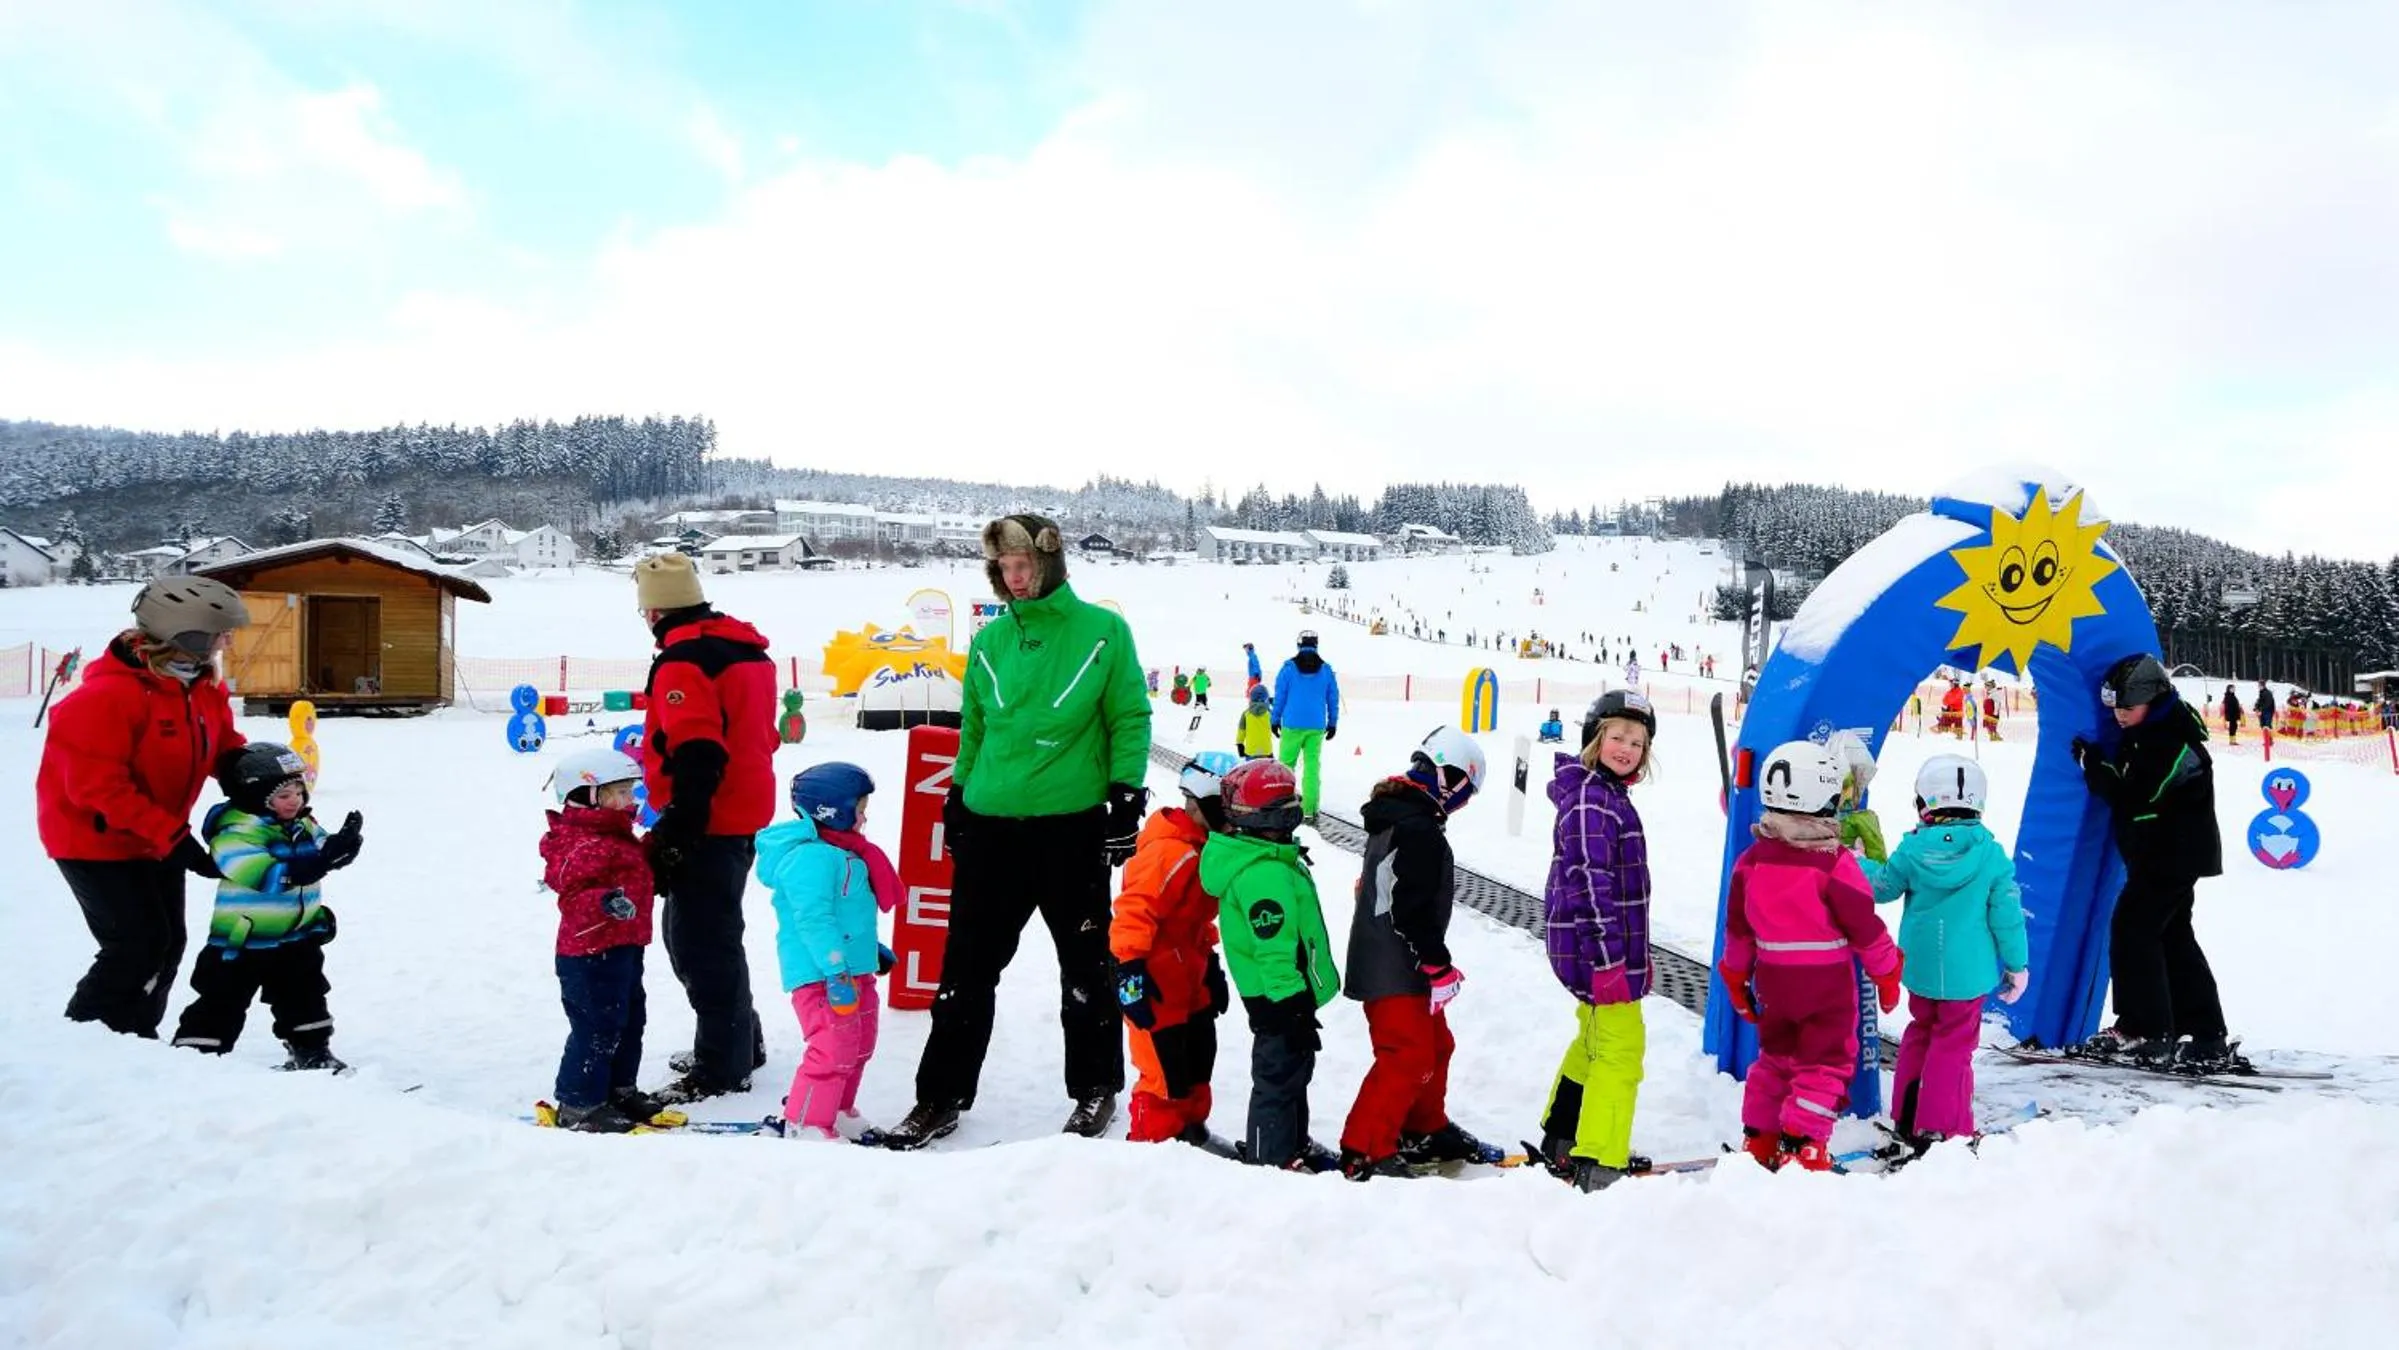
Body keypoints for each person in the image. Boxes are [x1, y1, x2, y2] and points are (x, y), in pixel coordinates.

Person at [884, 514, 1152, 1148]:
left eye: (1025, 564)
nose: (1016, 577)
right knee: (965, 971)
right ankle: (938, 1097)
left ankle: (1095, 1091)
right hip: (991, 827)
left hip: (1070, 829)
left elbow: (1129, 717)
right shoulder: (990, 642)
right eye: (1005, 567)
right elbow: (974, 726)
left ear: (1051, 563)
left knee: (1085, 968)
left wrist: (1124, 796)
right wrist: (957, 794)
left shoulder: (1103, 633)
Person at [37, 576, 252, 1037]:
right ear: (185, 633)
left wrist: (248, 772)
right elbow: (97, 787)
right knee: (135, 945)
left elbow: (221, 745)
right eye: (219, 633)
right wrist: (175, 840)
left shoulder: (201, 686)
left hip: (156, 836)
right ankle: (87, 1038)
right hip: (94, 840)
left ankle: (134, 1035)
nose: (226, 641)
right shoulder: (104, 699)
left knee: (168, 942)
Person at [633, 553, 780, 1104]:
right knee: (703, 936)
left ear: (653, 610)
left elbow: (697, 750)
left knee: (701, 945)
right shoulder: (745, 650)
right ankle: (741, 1041)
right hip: (741, 812)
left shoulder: (683, 662)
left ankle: (722, 1066)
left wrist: (677, 829)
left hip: (709, 820)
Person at [1717, 740, 1902, 1172]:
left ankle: (1760, 1139)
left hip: (1775, 983)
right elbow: (1865, 928)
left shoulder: (1751, 861)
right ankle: (1803, 1143)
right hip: (1826, 988)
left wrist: (1735, 975)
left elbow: (1738, 930)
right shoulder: (1834, 863)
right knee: (1825, 1063)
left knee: (1776, 1059)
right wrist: (1888, 972)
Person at [1339, 728, 1502, 1180]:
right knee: (1405, 1056)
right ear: (1447, 777)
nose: (1461, 805)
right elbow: (1409, 908)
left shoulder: (1402, 816)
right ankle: (1365, 1149)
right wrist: (1436, 962)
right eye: (1463, 794)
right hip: (1393, 965)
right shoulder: (1417, 828)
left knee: (1436, 1046)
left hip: (1399, 960)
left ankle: (1424, 1127)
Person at [2070, 654, 2234, 1070]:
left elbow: (2135, 795)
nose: (2120, 716)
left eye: (2127, 708)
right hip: (2161, 854)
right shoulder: (2151, 732)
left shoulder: (2171, 741)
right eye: (2115, 709)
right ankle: (2205, 1034)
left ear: (2152, 699)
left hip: (2172, 855)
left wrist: (2094, 766)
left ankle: (2143, 1029)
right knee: (2171, 936)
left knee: (2132, 928)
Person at [1867, 755, 2029, 1155]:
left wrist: (1858, 864)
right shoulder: (1990, 857)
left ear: (1924, 803)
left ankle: (1906, 1116)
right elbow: (2007, 917)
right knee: (1953, 1046)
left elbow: (1883, 887)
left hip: (1921, 967)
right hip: (1967, 975)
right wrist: (2016, 964)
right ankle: (1941, 1128)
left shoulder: (1911, 850)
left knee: (1920, 1033)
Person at [169, 741, 364, 1069]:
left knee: (305, 995)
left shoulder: (301, 824)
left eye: (298, 792)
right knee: (223, 998)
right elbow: (269, 876)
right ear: (256, 795)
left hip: (297, 936)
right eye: (284, 796)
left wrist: (340, 847)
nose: (295, 801)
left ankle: (312, 1051)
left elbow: (320, 848)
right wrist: (319, 863)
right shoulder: (235, 834)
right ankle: (196, 1058)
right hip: (243, 941)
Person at [1537, 691, 1656, 1191]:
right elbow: (1587, 879)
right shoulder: (1591, 798)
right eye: (1618, 736)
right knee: (1621, 1048)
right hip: (1599, 950)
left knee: (1593, 1038)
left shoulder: (1601, 793)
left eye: (1637, 741)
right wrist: (1607, 960)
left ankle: (1564, 1135)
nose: (1627, 747)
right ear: (1594, 738)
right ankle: (1599, 1158)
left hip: (1588, 947)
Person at [1203, 759, 1341, 1171]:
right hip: (1279, 996)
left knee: (1294, 1072)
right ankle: (1270, 1159)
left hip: (1285, 994)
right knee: (1278, 1078)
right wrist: (1291, 1008)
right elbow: (1274, 949)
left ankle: (1292, 1143)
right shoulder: (1264, 875)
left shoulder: (1266, 859)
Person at [760, 763, 900, 1141]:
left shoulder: (845, 852)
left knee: (859, 1046)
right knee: (832, 1048)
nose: (864, 815)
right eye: (859, 807)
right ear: (832, 810)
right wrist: (836, 970)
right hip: (822, 976)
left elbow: (847, 915)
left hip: (852, 970)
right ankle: (805, 1122)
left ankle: (837, 1109)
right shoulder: (811, 858)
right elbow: (814, 920)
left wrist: (870, 951)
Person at [1111, 752, 1238, 1146]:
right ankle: (1155, 1146)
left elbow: (1194, 920)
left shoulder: (1204, 849)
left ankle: (1191, 1133)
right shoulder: (1171, 851)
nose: (1236, 818)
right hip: (1155, 982)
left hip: (1189, 975)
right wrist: (1129, 974)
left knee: (1198, 1059)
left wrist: (1211, 963)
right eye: (1229, 807)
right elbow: (1134, 911)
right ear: (1205, 805)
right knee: (1164, 1072)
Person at [537, 748, 660, 1133]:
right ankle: (579, 1102)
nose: (630, 801)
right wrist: (605, 901)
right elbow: (571, 895)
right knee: (596, 1027)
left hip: (623, 946)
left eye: (631, 791)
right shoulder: (582, 842)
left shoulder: (614, 835)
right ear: (589, 795)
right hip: (588, 954)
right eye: (620, 793)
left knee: (629, 1021)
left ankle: (619, 1089)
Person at [1271, 631, 1341, 821]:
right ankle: (1309, 809)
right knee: (1312, 767)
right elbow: (1333, 697)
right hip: (1316, 725)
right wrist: (1333, 722)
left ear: (1299, 645)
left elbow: (1280, 696)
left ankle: (1281, 806)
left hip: (1292, 724)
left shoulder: (1288, 669)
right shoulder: (1326, 670)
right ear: (1316, 645)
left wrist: (1275, 719)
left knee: (1286, 766)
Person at [1235, 684, 1275, 759]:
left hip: (1251, 751)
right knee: (1267, 769)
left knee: (1251, 769)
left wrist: (1239, 744)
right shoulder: (1269, 713)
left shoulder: (1246, 714)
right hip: (1266, 750)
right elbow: (1277, 721)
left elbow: (1241, 731)